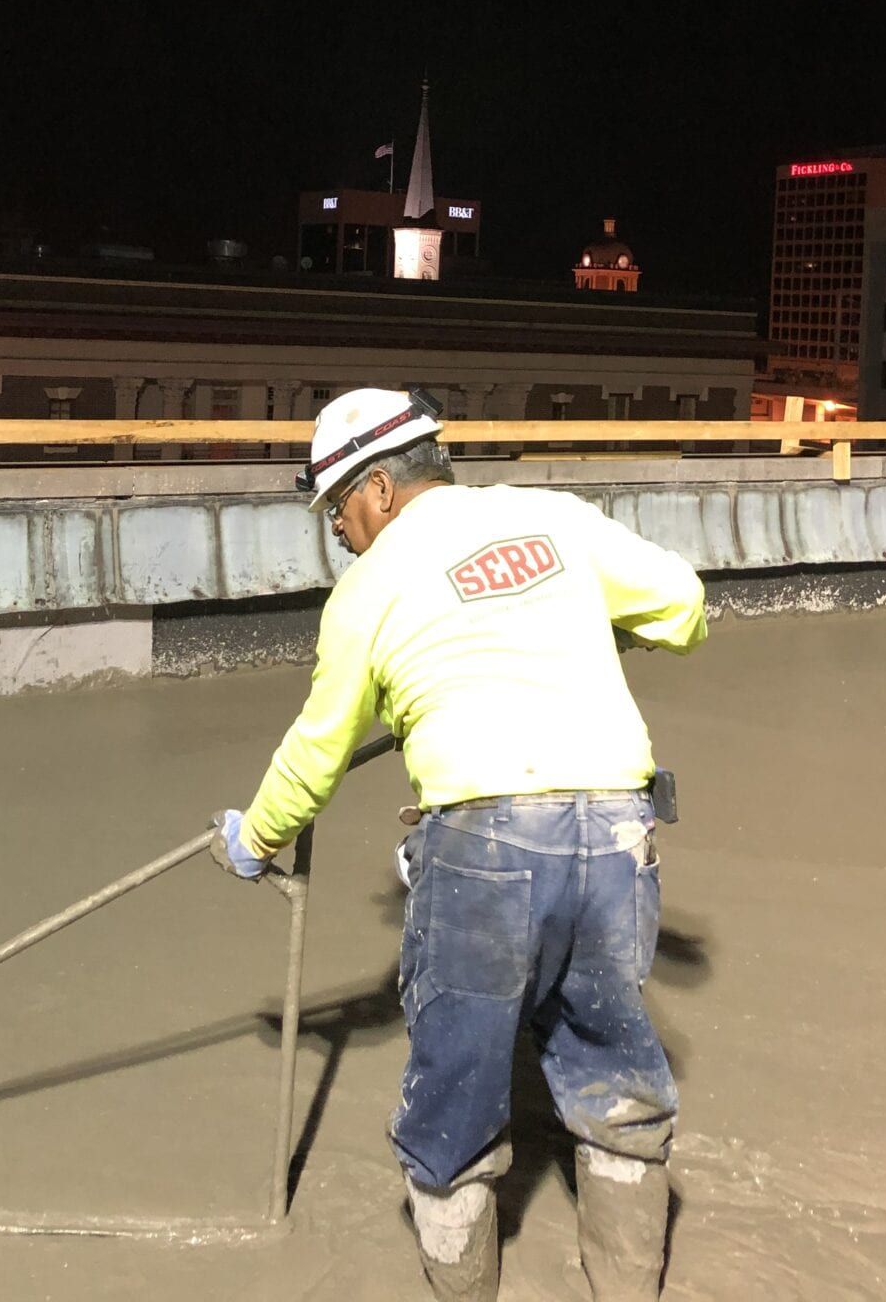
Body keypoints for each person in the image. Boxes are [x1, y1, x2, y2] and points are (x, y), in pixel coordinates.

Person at [210, 387, 707, 1300]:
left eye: (338, 515)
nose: (342, 537)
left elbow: (316, 752)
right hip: (615, 833)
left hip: (483, 845)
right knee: (617, 1084)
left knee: (455, 1113)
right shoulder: (552, 518)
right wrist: (576, 630)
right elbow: (682, 607)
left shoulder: (368, 591)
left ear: (380, 492)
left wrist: (258, 838)